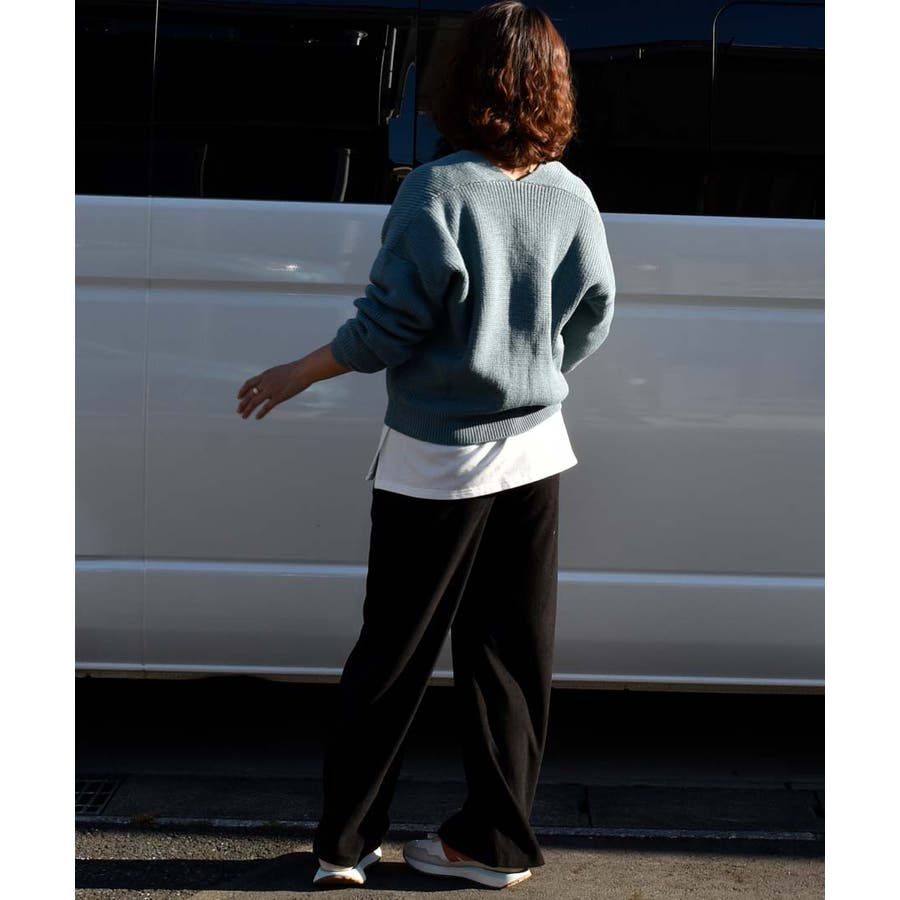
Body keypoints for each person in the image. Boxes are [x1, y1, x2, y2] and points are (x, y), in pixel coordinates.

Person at [235, 0, 615, 889]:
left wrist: (298, 372)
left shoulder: (437, 190)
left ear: (461, 82)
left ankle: (346, 845)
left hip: (436, 458)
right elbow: (595, 313)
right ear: (552, 87)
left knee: (393, 655)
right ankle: (495, 847)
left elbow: (387, 328)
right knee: (511, 657)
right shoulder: (571, 194)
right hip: (536, 450)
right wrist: (530, 367)